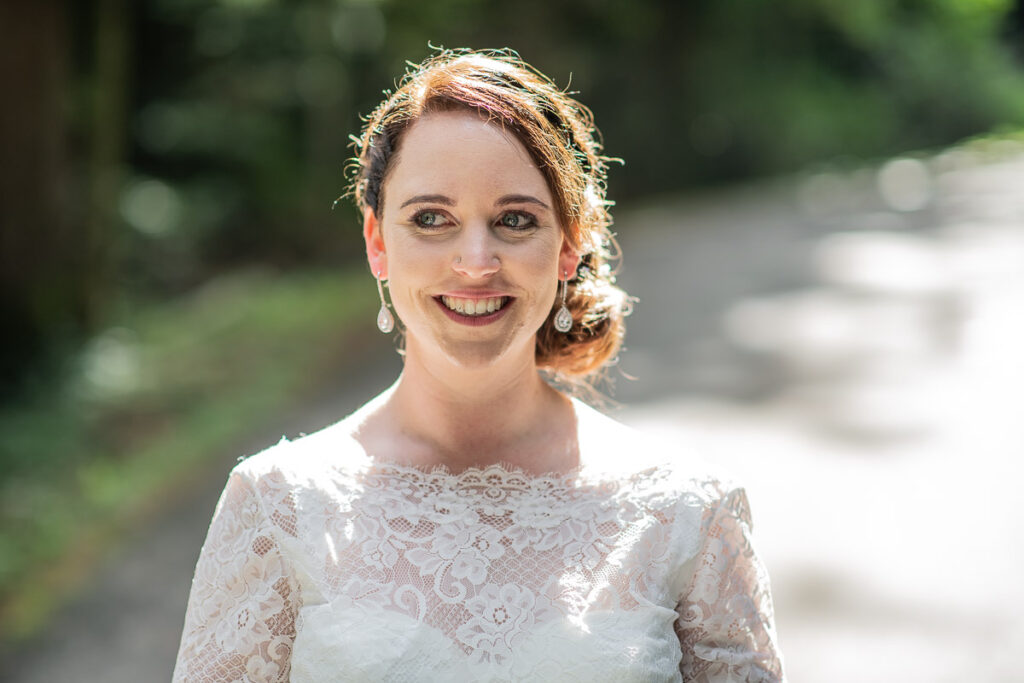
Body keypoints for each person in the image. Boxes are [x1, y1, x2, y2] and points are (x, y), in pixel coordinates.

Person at [172, 48, 785, 682]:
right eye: (431, 219)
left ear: (569, 244)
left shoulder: (688, 514)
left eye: (514, 220)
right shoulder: (278, 506)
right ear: (377, 241)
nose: (475, 261)